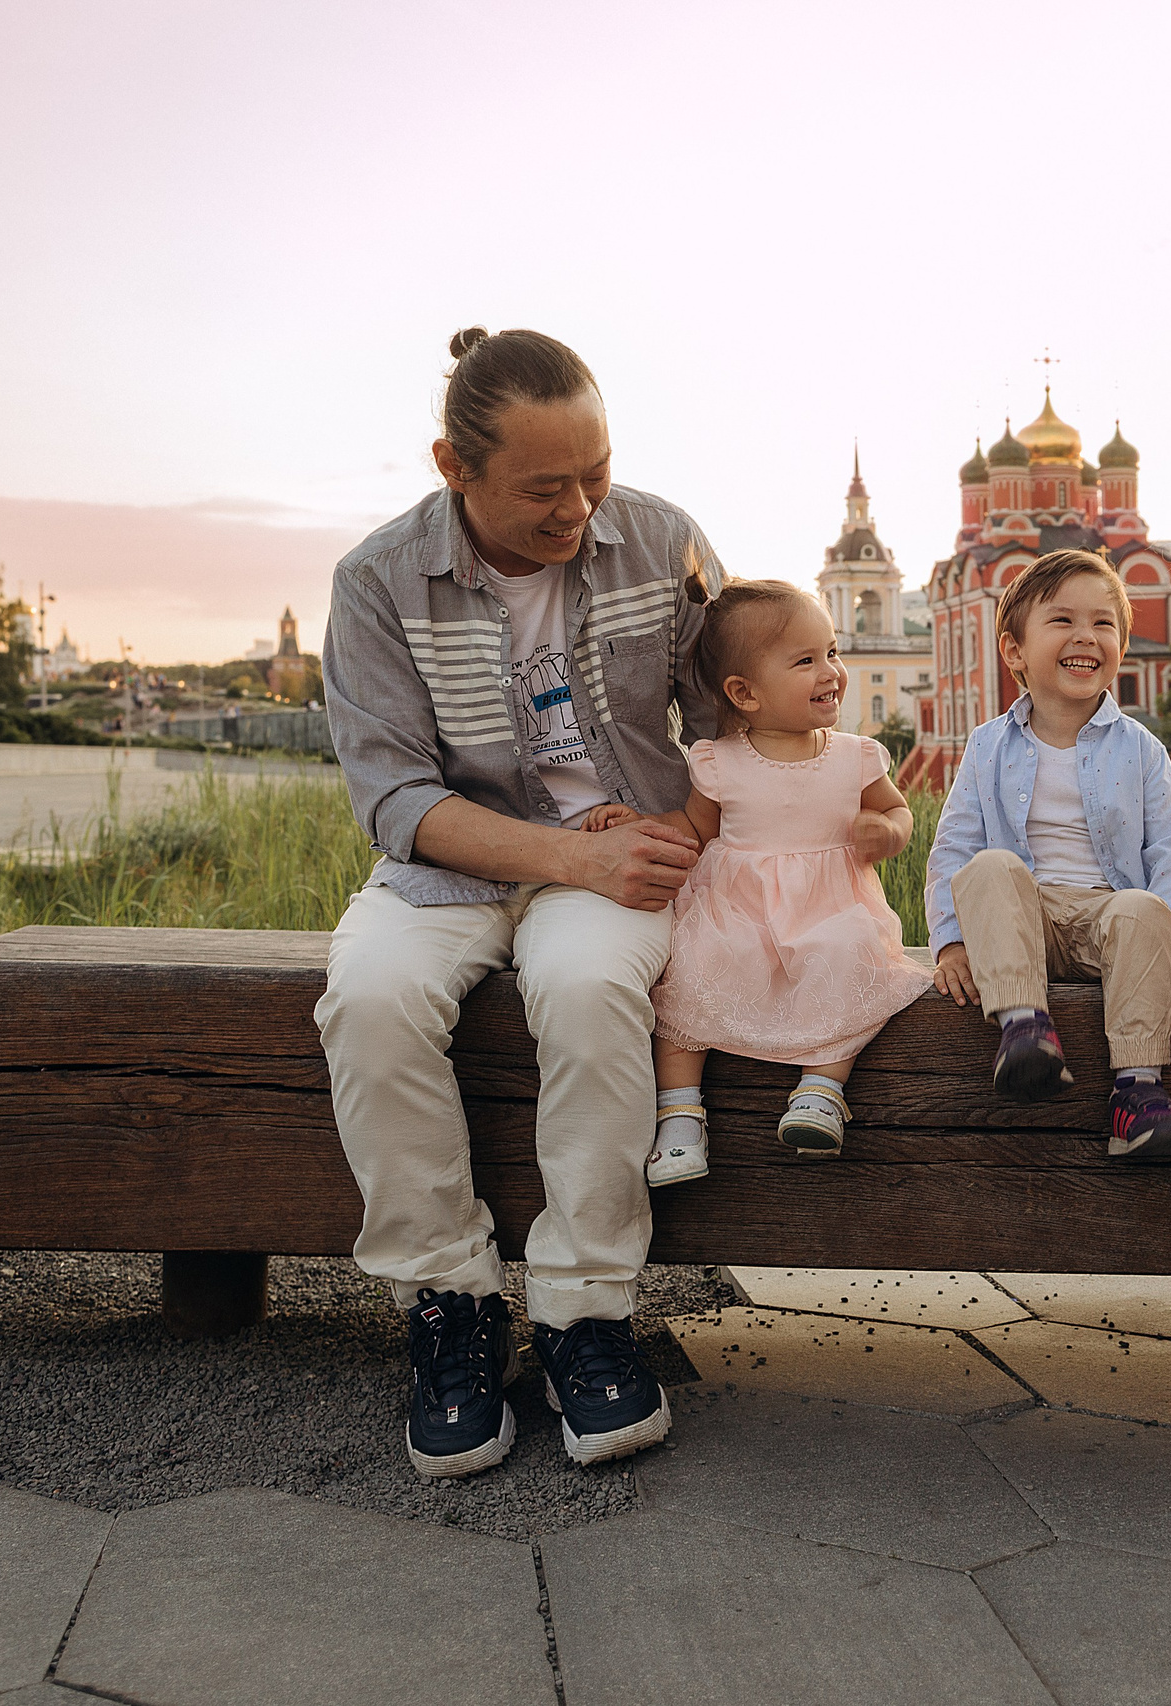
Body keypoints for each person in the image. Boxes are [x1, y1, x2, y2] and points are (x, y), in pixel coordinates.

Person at [315, 327, 718, 1480]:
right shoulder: (376, 580)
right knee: (371, 996)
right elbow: (392, 795)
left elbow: (734, 709)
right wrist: (564, 858)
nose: (580, 511)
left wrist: (684, 832)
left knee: (591, 985)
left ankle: (587, 1312)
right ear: (454, 465)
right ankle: (449, 1304)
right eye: (545, 489)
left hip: (625, 845)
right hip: (457, 859)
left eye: (594, 474)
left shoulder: (664, 537)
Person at [629, 574, 932, 1176]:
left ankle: (822, 1089)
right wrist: (632, 826)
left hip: (830, 907)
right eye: (805, 660)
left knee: (852, 954)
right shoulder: (718, 761)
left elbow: (896, 810)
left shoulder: (855, 757)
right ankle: (680, 1114)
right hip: (737, 909)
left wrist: (889, 831)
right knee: (691, 966)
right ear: (745, 693)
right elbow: (695, 829)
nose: (831, 672)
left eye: (832, 653)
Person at [925, 548, 1171, 1162]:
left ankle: (1137, 1094)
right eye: (1062, 621)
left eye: (1104, 623)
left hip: (1106, 923)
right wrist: (950, 941)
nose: (1086, 636)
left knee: (1143, 906)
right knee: (990, 868)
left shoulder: (1141, 749)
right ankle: (1025, 1031)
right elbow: (954, 846)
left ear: (1122, 647)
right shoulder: (988, 746)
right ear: (1014, 651)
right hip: (1023, 922)